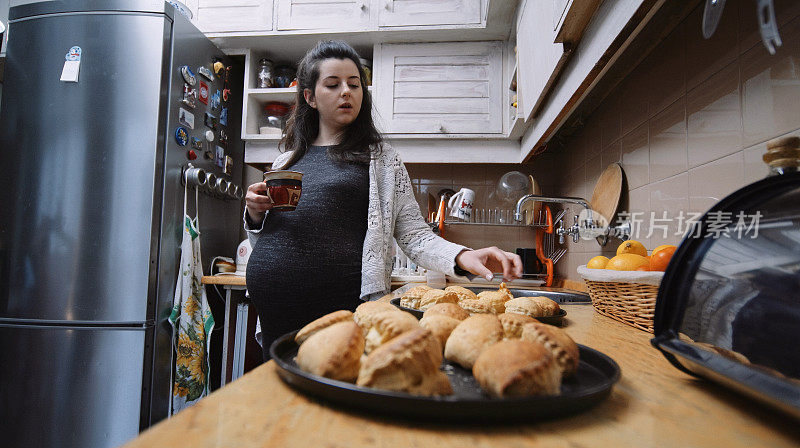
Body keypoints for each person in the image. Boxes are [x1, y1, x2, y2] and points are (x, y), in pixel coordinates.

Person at [244, 40, 523, 360]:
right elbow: (270, 232)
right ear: (310, 97)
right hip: (275, 305)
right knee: (282, 394)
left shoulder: (383, 162)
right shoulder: (285, 162)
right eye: (333, 84)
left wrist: (462, 256)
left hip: (339, 305)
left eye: (354, 84)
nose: (346, 92)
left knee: (337, 386)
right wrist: (254, 215)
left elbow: (416, 236)